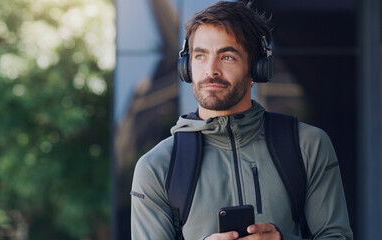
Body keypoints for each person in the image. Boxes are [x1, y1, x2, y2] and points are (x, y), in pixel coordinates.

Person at [130, 1, 353, 239]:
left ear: (257, 69)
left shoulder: (308, 145)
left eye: (227, 57)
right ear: (187, 67)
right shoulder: (156, 168)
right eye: (201, 56)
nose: (211, 70)